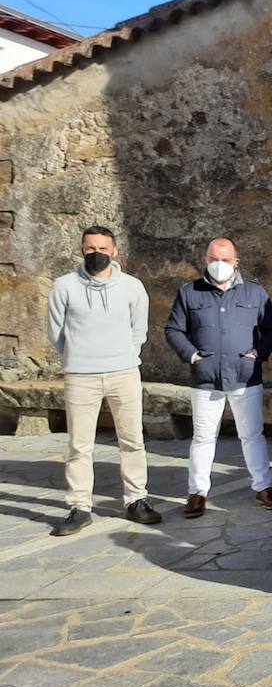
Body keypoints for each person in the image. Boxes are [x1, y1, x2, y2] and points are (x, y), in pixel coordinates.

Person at [46, 225, 161, 535]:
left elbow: (140, 329)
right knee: (79, 446)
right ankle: (79, 507)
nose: (96, 253)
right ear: (82, 250)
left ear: (114, 251)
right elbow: (56, 333)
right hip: (80, 376)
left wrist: (123, 355)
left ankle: (136, 500)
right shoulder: (64, 286)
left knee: (132, 440)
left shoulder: (132, 287)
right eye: (90, 248)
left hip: (123, 373)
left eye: (102, 248)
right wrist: (78, 356)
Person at [165, 237, 272, 518]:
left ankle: (263, 486)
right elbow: (173, 330)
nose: (220, 265)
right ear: (206, 260)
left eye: (225, 260)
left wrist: (257, 354)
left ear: (236, 262)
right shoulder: (189, 292)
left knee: (252, 435)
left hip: (245, 377)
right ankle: (197, 493)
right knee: (203, 438)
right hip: (205, 379)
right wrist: (192, 356)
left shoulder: (254, 293)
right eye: (214, 259)